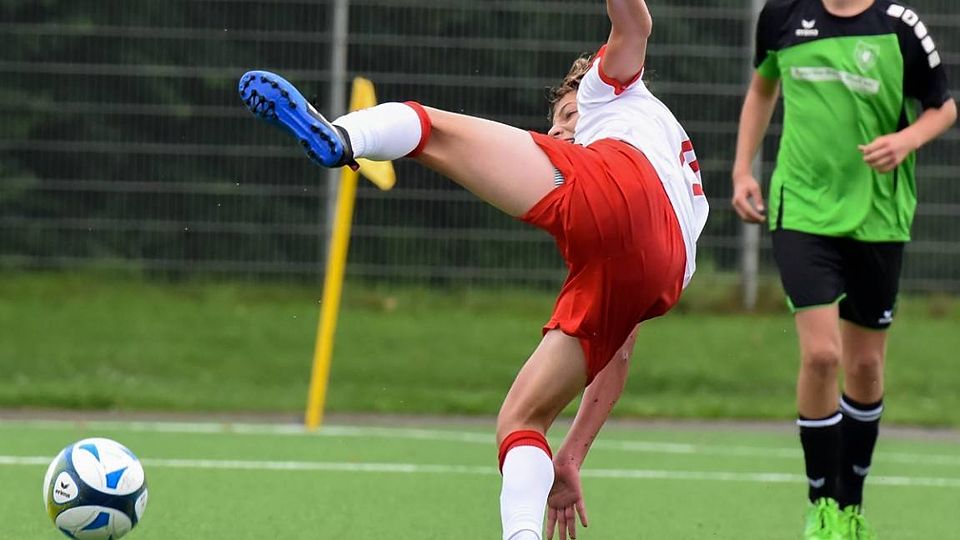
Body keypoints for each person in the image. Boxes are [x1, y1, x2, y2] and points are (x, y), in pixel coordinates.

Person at [240, 1, 708, 538]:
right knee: (521, 420)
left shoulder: (610, 88)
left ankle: (343, 137)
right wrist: (573, 453)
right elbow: (619, 351)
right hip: (666, 270)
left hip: (617, 188)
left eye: (566, 117)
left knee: (428, 128)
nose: (556, 132)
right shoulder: (673, 164)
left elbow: (635, 25)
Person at [731, 0, 956, 538]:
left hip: (878, 217)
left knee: (865, 366)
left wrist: (906, 140)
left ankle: (851, 505)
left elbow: (942, 107)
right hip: (802, 210)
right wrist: (742, 170)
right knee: (822, 354)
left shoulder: (900, 27)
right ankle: (822, 505)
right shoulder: (783, 16)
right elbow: (763, 88)